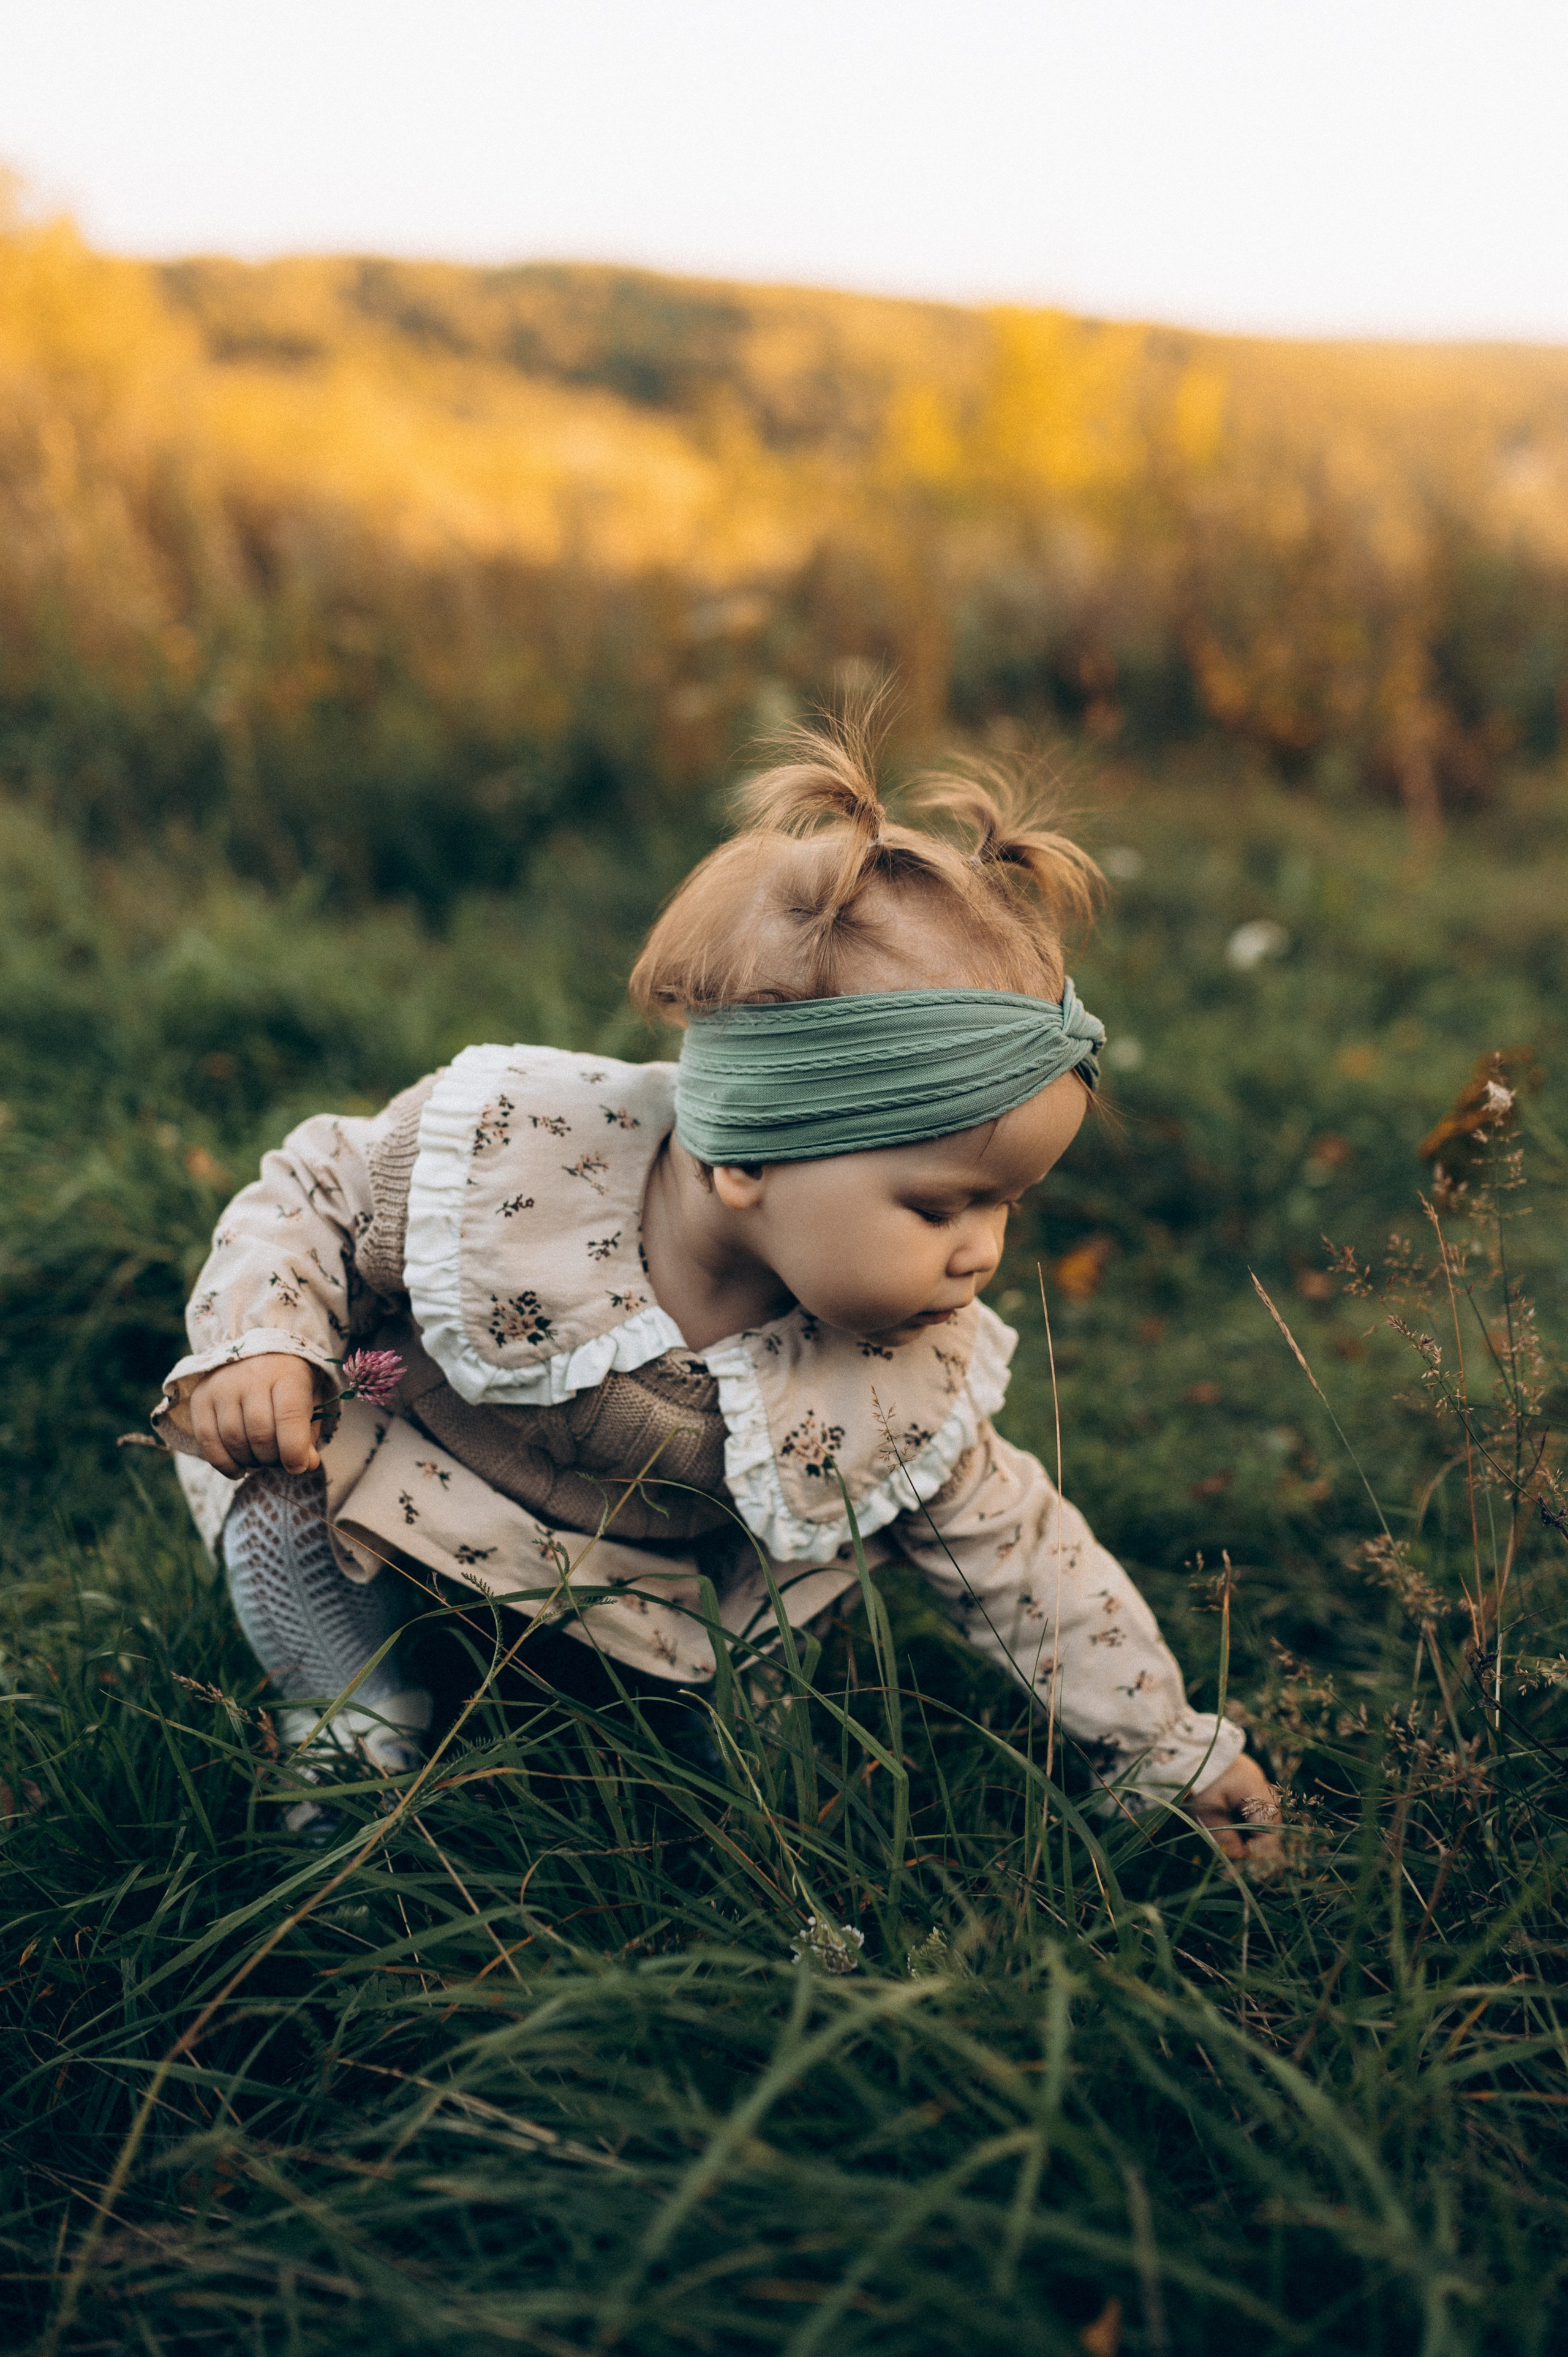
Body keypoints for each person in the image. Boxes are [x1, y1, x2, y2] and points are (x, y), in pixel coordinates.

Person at [153, 720, 1278, 1861]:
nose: (979, 1255)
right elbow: (316, 1191)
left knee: (802, 1620)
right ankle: (349, 1696)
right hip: (426, 1475)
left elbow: (1023, 1556)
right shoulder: (518, 1157)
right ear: (747, 1160)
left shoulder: (901, 1363)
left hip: (652, 1575)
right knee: (281, 1470)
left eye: (1007, 1207)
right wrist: (264, 1342)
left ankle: (726, 1777)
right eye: (939, 1207)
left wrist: (1167, 1746)